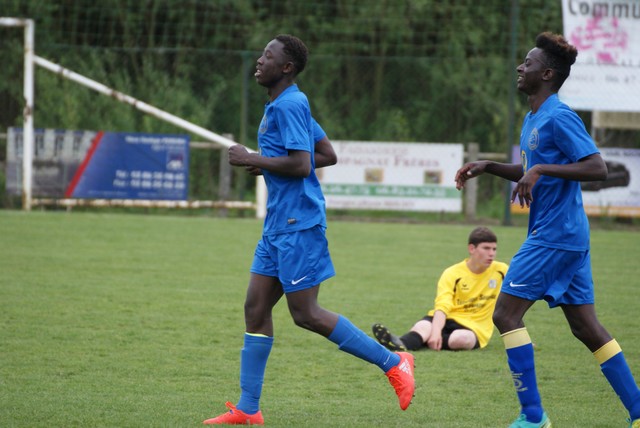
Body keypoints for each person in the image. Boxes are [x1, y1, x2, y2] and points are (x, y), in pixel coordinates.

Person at [203, 34, 415, 425]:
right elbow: (328, 155)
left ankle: (394, 362)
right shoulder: (283, 103)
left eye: (268, 56)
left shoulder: (290, 104)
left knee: (306, 314)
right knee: (255, 308)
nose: (259, 60)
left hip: (298, 224)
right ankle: (248, 408)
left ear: (286, 67)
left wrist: (254, 158)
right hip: (277, 225)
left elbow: (302, 165)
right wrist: (267, 162)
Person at [454, 32, 640, 428]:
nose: (520, 67)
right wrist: (489, 166)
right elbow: (529, 170)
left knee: (505, 314)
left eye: (528, 63)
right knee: (586, 328)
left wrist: (539, 169)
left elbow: (596, 167)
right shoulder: (533, 118)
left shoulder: (559, 116)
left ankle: (534, 416)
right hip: (566, 237)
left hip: (555, 236)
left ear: (547, 74)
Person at [372, 226, 507, 352]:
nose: (491, 254)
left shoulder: (502, 271)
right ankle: (400, 344)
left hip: (474, 327)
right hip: (446, 318)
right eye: (486, 248)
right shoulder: (453, 273)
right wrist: (436, 331)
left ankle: (421, 341)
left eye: (494, 249)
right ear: (472, 249)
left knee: (461, 339)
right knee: (423, 327)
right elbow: (443, 305)